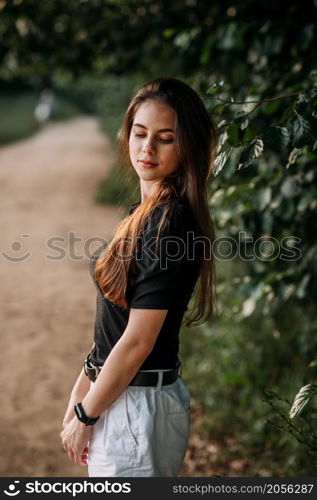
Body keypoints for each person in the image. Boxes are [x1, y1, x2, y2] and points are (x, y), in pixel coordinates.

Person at [60, 77, 217, 477]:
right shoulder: (145, 212)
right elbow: (115, 323)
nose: (147, 148)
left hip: (135, 404)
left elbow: (138, 341)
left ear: (188, 147)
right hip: (121, 395)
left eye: (165, 138)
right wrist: (86, 382)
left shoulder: (170, 224)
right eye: (140, 132)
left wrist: (86, 414)